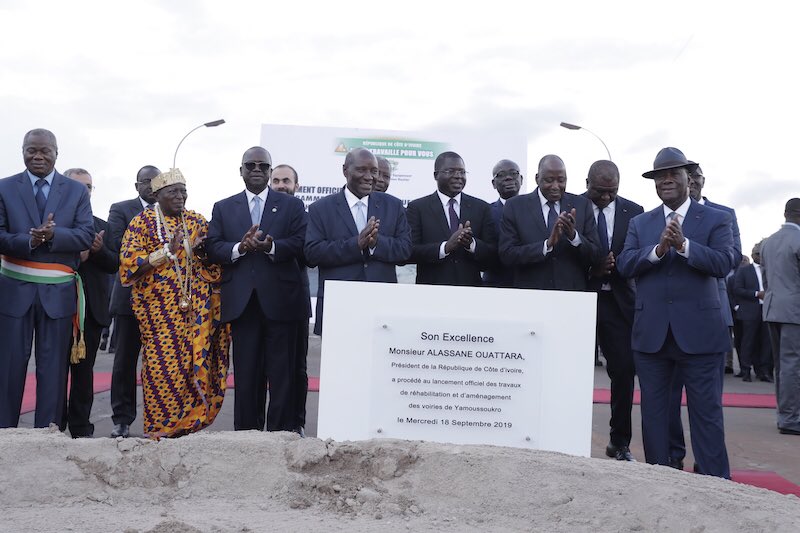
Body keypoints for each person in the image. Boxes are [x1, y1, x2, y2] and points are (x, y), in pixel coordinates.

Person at [617, 147, 735, 478]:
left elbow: (725, 261)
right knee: (654, 415)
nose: (666, 180)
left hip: (701, 335)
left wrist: (685, 247)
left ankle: (715, 484)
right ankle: (660, 479)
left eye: (674, 174)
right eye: (659, 176)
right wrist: (658, 250)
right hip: (652, 337)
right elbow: (625, 264)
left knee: (706, 414)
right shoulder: (641, 222)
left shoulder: (716, 218)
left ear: (689, 178)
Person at [119, 168, 229, 439]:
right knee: (161, 373)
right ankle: (161, 431)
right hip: (158, 316)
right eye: (173, 192)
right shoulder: (142, 223)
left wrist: (202, 251)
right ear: (157, 195)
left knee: (196, 366)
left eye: (183, 191)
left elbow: (214, 266)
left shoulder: (197, 221)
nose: (180, 197)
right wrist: (166, 251)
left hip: (195, 314)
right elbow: (129, 266)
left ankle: (190, 427)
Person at [206, 149, 309, 432]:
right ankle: (247, 437)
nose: (256, 169)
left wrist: (271, 247)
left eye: (263, 166)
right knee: (247, 375)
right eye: (250, 165)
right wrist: (240, 248)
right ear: (240, 170)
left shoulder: (292, 206)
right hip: (242, 304)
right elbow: (212, 247)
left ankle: (280, 435)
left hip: (281, 303)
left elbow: (302, 244)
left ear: (269, 171)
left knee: (282, 375)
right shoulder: (223, 207)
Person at [0, 128, 94, 428]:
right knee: (8, 367)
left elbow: (85, 235)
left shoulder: (76, 191)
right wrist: (31, 241)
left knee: (53, 369)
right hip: (14, 290)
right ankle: (4, 435)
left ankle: (48, 435)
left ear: (56, 152)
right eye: (31, 150)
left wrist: (54, 235)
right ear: (23, 150)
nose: (38, 156)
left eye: (45, 151)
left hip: (58, 293)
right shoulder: (4, 188)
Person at [667, 160, 743, 468]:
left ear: (701, 180)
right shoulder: (663, 216)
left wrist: (687, 246)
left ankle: (708, 467)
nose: (693, 182)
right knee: (667, 402)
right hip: (667, 321)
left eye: (696, 177)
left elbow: (732, 258)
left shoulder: (723, 216)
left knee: (707, 404)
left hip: (710, 314)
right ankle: (672, 460)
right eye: (689, 178)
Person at [305, 147, 411, 335]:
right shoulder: (320, 209)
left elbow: (404, 250)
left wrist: (376, 243)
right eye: (362, 170)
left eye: (374, 171)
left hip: (382, 307)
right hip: (339, 307)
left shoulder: (393, 206)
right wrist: (355, 244)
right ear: (345, 171)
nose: (369, 177)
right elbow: (312, 253)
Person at [583, 160, 644, 461]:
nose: (605, 197)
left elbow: (637, 255)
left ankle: (619, 442)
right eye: (599, 191)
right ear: (586, 183)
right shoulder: (573, 207)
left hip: (618, 303)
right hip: (581, 299)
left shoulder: (634, 212)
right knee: (573, 370)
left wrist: (618, 266)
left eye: (612, 191)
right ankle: (566, 435)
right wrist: (592, 269)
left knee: (623, 371)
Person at [61, 168, 118, 437]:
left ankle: (81, 427)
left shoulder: (100, 226)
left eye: (89, 187)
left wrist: (98, 250)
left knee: (83, 375)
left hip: (91, 313)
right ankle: (53, 424)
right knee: (54, 373)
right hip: (58, 310)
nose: (85, 191)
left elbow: (113, 265)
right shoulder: (54, 223)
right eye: (79, 186)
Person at [108, 165, 160, 438]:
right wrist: (159, 254)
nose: (152, 186)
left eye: (156, 181)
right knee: (125, 362)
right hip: (129, 300)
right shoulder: (121, 209)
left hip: (163, 304)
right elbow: (118, 246)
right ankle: (122, 419)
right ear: (136, 185)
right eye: (146, 182)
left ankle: (161, 420)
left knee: (161, 363)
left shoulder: (172, 211)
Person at [499, 154, 600, 290]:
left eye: (561, 180)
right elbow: (507, 254)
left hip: (572, 295)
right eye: (549, 180)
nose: (555, 186)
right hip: (531, 293)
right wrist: (546, 245)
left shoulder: (582, 205)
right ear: (537, 179)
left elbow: (596, 255)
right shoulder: (515, 206)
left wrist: (574, 237)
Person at [406, 151, 497, 286]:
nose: (458, 176)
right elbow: (410, 252)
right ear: (436, 175)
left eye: (462, 172)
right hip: (431, 292)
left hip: (471, 292)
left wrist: (471, 244)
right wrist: (445, 247)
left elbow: (492, 254)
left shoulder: (482, 208)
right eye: (451, 171)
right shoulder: (417, 208)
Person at [268, 162, 311, 435]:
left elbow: (307, 252)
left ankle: (296, 424)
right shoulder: (258, 213)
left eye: (287, 181)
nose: (281, 185)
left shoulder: (305, 215)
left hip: (293, 301)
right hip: (261, 301)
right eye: (276, 181)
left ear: (297, 186)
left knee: (297, 369)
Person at [760, 198, 800, 436]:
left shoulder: (768, 242)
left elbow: (766, 280)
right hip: (794, 311)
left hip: (772, 308)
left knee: (782, 366)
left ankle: (785, 413)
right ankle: (790, 417)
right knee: (792, 365)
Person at [733, 241, 773, 382]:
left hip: (767, 310)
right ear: (753, 255)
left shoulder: (769, 269)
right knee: (748, 342)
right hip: (749, 310)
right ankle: (745, 370)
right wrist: (756, 294)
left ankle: (764, 371)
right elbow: (737, 289)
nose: (761, 257)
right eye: (758, 254)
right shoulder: (744, 270)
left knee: (766, 342)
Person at [482, 159, 522, 288]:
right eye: (501, 175)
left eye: (513, 173)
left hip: (529, 284)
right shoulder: (485, 212)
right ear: (493, 183)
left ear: (521, 179)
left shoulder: (537, 210)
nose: (508, 178)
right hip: (495, 285)